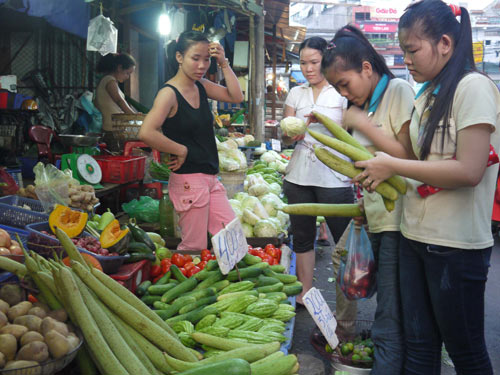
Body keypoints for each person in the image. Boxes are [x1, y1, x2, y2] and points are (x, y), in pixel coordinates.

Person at [354, 2, 498, 373]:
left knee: (465, 351)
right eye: (402, 50)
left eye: (412, 49)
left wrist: (391, 166)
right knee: (419, 347)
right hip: (413, 236)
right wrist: (377, 171)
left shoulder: (474, 88)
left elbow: (469, 170)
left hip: (456, 248)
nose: (405, 59)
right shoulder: (426, 94)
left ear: (445, 43)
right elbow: (418, 162)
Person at [320, 25, 415, 374]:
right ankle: (351, 337)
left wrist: (364, 123)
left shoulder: (399, 91)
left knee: (389, 308)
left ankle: (386, 363)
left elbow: (408, 156)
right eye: (336, 88)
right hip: (372, 214)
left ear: (366, 67)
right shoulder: (362, 105)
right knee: (344, 266)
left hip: (397, 222)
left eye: (344, 84)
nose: (343, 93)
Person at [138, 31, 244, 250]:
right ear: (179, 57)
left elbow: (236, 97)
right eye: (195, 58)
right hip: (188, 182)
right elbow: (147, 132)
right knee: (194, 248)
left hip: (210, 179)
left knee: (232, 240)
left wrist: (223, 63)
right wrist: (181, 150)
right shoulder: (168, 94)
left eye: (206, 59)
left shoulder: (201, 86)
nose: (202, 65)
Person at [281, 37, 354, 305]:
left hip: (334, 176)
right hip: (299, 175)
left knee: (343, 241)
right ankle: (305, 294)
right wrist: (292, 134)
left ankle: (347, 302)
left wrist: (323, 121)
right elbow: (286, 136)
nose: (308, 68)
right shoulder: (296, 93)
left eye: (314, 62)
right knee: (302, 237)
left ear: (326, 60)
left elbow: (350, 134)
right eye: (303, 63)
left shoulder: (341, 93)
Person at [94, 53, 139, 151]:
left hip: (111, 129)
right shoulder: (110, 81)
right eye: (127, 73)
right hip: (113, 131)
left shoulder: (107, 81)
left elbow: (96, 103)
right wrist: (134, 116)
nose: (128, 77)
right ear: (119, 68)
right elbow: (119, 101)